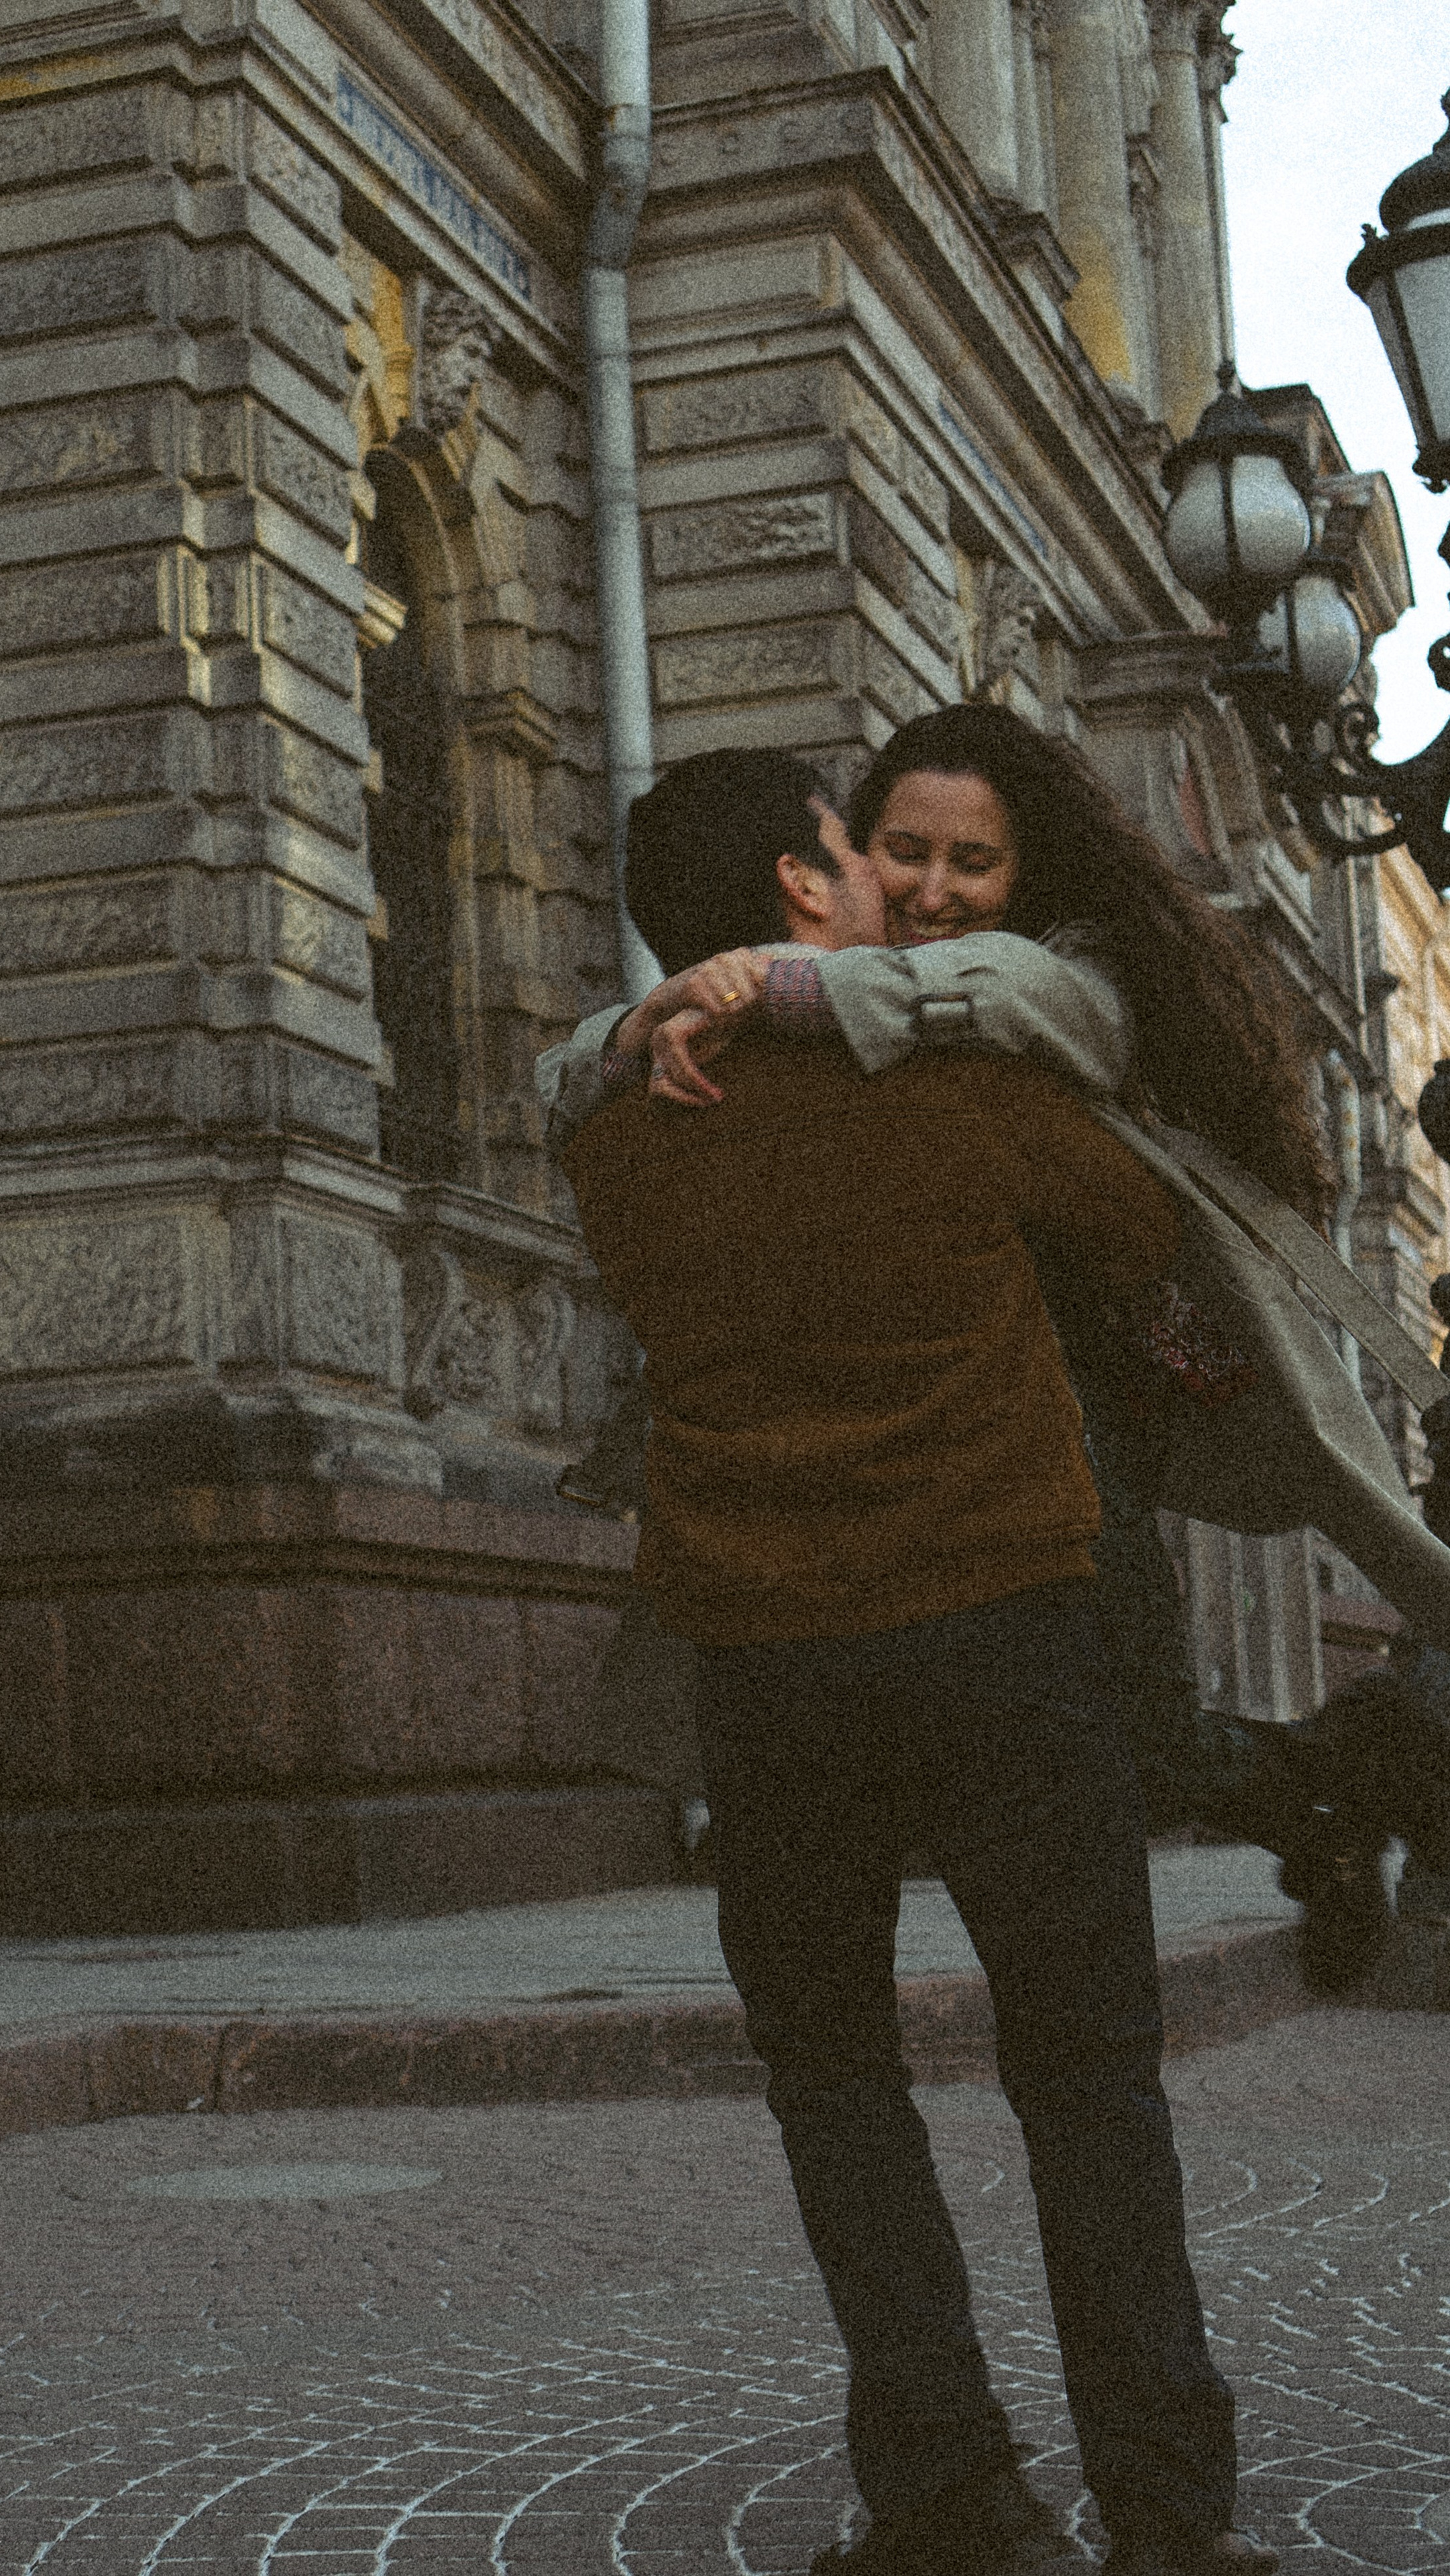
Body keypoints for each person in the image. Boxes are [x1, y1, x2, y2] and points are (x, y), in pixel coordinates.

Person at [556, 745, 1276, 2576]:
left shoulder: (622, 1124)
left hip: (768, 1667)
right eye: (855, 853)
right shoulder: (965, 1081)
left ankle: (953, 2499)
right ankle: (1172, 2523)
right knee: (1090, 2076)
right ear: (808, 887)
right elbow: (1141, 1240)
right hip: (1005, 1631)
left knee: (835, 2084)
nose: (894, 888)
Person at [537, 709, 1450, 1986]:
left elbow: (989, 1006)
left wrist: (759, 982)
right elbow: (573, 1084)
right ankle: (1341, 1799)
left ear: (1027, 875)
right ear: (846, 853)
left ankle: (1384, 1761)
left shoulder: (1054, 975)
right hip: (917, 1451)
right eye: (902, 850)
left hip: (1081, 1411)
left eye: (975, 863)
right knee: (1091, 1753)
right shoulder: (783, 1015)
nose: (932, 888)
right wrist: (643, 1026)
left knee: (1129, 1746)